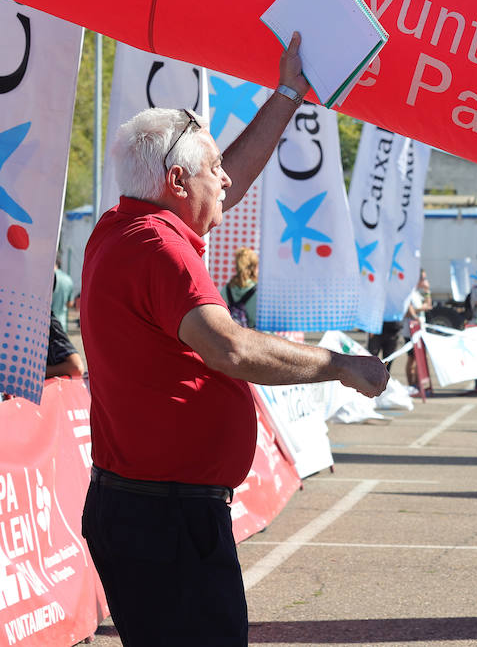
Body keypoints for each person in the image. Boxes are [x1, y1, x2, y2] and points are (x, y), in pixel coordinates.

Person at [80, 34, 389, 646]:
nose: (225, 179)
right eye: (211, 168)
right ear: (175, 179)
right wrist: (340, 365)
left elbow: (228, 181)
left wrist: (288, 94)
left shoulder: (127, 229)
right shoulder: (160, 249)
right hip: (166, 517)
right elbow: (230, 349)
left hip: (151, 511)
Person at [221, 246, 259, 329]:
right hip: (250, 336)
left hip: (229, 335)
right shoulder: (258, 292)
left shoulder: (226, 289)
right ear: (254, 267)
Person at [53, 259, 75, 328]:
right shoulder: (68, 279)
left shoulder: (47, 277)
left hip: (46, 323)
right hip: (61, 323)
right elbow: (70, 303)